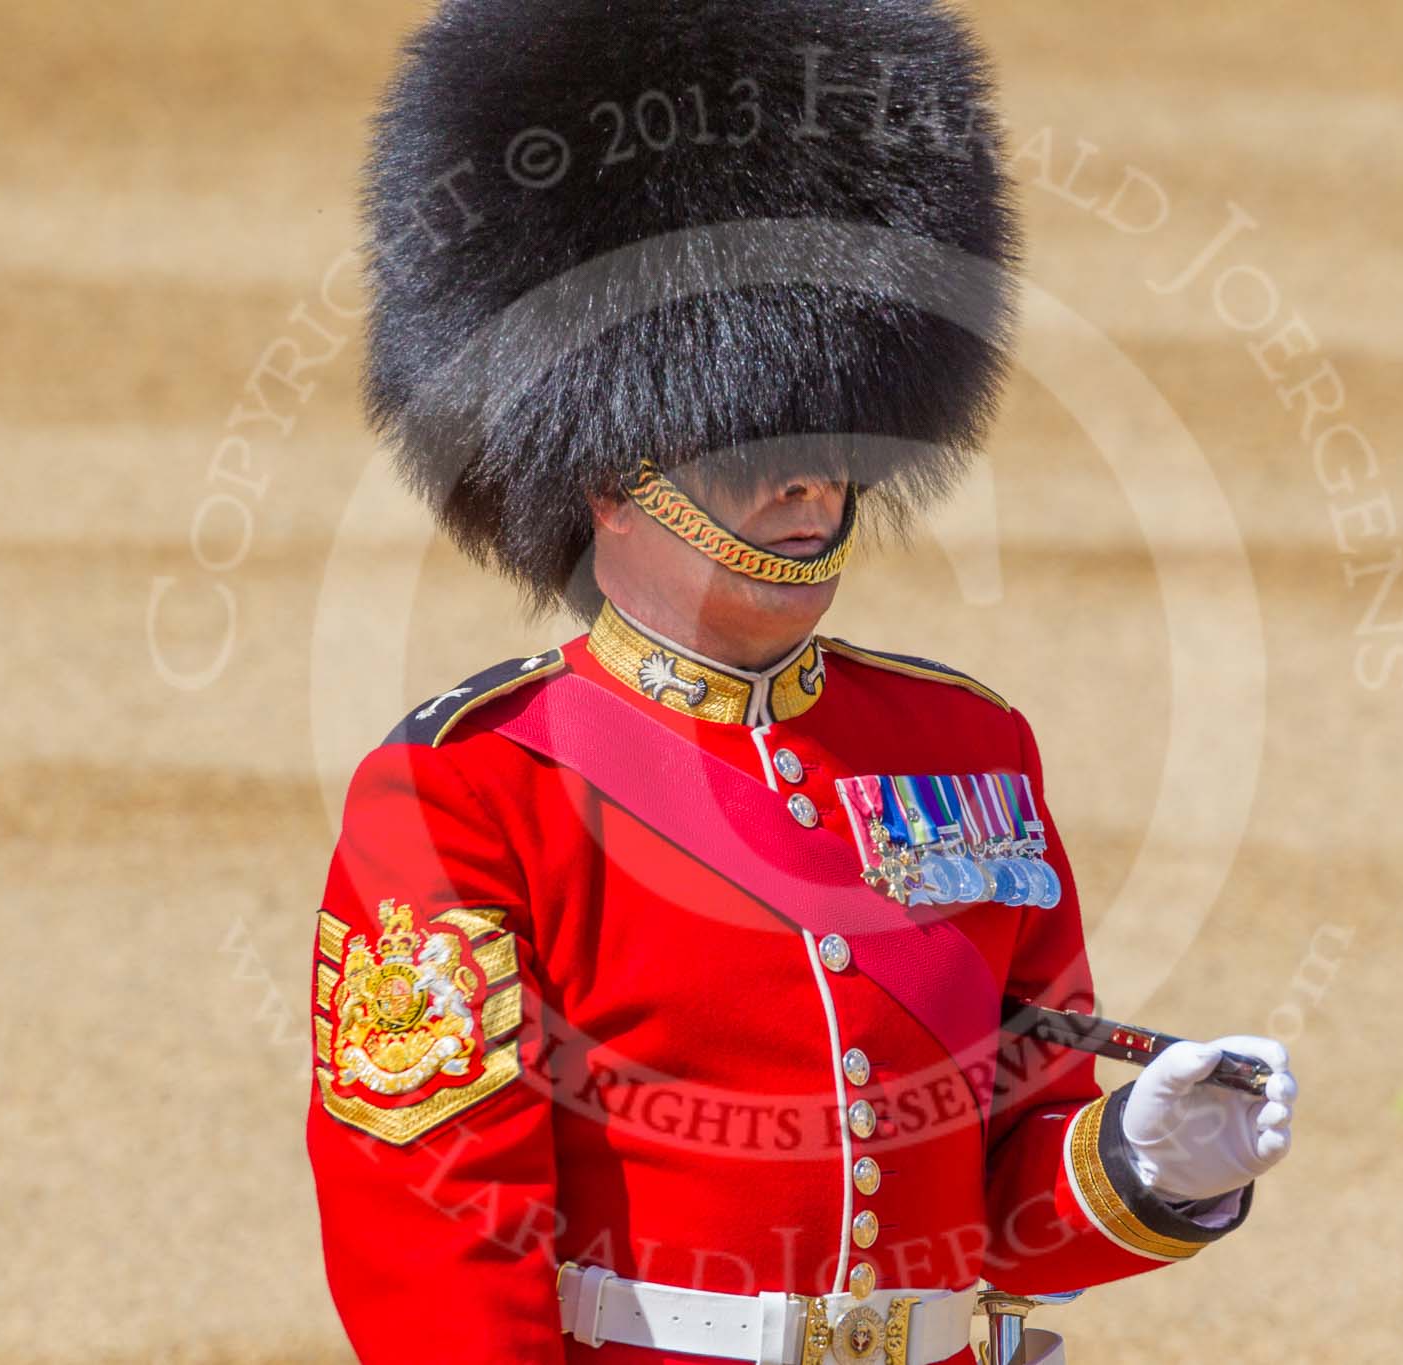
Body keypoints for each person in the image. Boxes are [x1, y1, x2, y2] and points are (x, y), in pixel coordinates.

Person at [305, 3, 1298, 1362]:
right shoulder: (475, 789)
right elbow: (435, 1238)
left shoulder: (965, 749)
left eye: (830, 428)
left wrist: (1141, 1162)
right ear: (610, 469)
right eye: (747, 442)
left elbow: (1002, 1204)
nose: (809, 476)